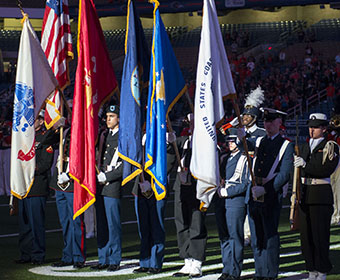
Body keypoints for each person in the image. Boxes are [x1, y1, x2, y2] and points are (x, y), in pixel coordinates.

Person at [246, 108, 294, 280]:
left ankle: (270, 273)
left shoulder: (286, 144)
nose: (268, 124)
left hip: (271, 195)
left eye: (272, 121)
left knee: (270, 235)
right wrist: (239, 135)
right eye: (266, 121)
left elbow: (284, 174)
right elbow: (244, 145)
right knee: (257, 235)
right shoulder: (260, 140)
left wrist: (265, 189)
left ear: (280, 123)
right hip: (255, 193)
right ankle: (259, 272)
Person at [294, 113, 339, 280]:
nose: (312, 130)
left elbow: (326, 169)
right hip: (305, 193)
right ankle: (311, 268)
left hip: (320, 194)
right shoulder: (305, 146)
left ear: (324, 128)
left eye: (316, 127)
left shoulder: (330, 146)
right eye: (310, 127)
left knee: (320, 235)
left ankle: (322, 269)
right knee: (306, 237)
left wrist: (306, 165)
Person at [131, 132, 174, 274]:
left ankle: (155, 262)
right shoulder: (142, 145)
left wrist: (152, 181)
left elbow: (168, 162)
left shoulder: (165, 146)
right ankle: (145, 261)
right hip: (141, 188)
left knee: (156, 226)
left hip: (157, 189)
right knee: (144, 227)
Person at [16, 112, 55, 265]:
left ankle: (38, 254)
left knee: (36, 223)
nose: (34, 121)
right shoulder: (24, 137)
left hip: (37, 186)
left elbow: (46, 164)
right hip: (23, 186)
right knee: (24, 223)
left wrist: (30, 169)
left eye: (37, 119)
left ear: (41, 121)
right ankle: (25, 254)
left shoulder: (45, 138)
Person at [171, 114, 207, 278]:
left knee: (196, 223)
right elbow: (170, 150)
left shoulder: (205, 141)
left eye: (193, 122)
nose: (190, 125)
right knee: (181, 222)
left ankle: (197, 261)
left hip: (197, 187)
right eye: (189, 122)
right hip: (181, 186)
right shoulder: (184, 141)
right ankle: (187, 259)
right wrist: (168, 139)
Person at [49, 116, 86, 268]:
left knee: (76, 221)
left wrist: (70, 175)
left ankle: (78, 256)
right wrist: (55, 126)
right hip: (60, 184)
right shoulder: (65, 132)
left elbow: (83, 158)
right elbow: (46, 141)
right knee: (65, 222)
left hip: (72, 184)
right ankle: (67, 255)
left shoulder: (83, 133)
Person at [91, 105, 123, 272]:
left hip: (112, 186)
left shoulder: (123, 138)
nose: (108, 119)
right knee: (101, 225)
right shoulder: (103, 136)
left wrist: (108, 177)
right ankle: (102, 257)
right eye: (107, 116)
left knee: (113, 225)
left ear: (119, 118)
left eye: (112, 116)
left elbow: (125, 165)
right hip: (100, 185)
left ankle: (115, 259)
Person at [217, 128, 251, 280]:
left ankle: (235, 271)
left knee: (235, 237)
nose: (229, 143)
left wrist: (228, 192)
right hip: (221, 200)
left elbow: (245, 183)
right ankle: (227, 268)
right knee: (224, 236)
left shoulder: (244, 158)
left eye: (232, 141)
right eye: (228, 141)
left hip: (235, 200)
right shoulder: (226, 157)